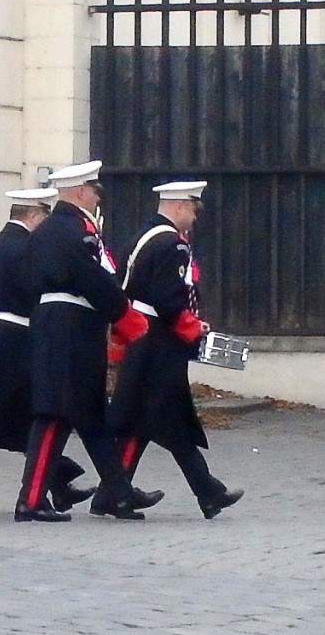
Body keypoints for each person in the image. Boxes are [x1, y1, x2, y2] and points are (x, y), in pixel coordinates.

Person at [14, 160, 164, 522]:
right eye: (95, 191)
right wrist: (124, 315)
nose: (98, 199)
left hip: (60, 323)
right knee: (55, 414)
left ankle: (118, 492)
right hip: (71, 326)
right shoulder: (76, 230)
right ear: (81, 192)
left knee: (91, 415)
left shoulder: (47, 230)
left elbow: (26, 280)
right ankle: (31, 499)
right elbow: (94, 279)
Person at [0, 188, 95, 515]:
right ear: (34, 215)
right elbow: (38, 290)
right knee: (19, 418)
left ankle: (53, 485)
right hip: (16, 339)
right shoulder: (26, 248)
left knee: (0, 419)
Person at [103, 180, 243, 519]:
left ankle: (204, 491)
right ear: (179, 206)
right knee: (157, 416)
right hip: (159, 342)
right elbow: (168, 301)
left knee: (158, 418)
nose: (194, 217)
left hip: (144, 336)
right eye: (193, 209)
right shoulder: (172, 246)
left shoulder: (143, 237)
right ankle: (204, 491)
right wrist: (194, 327)